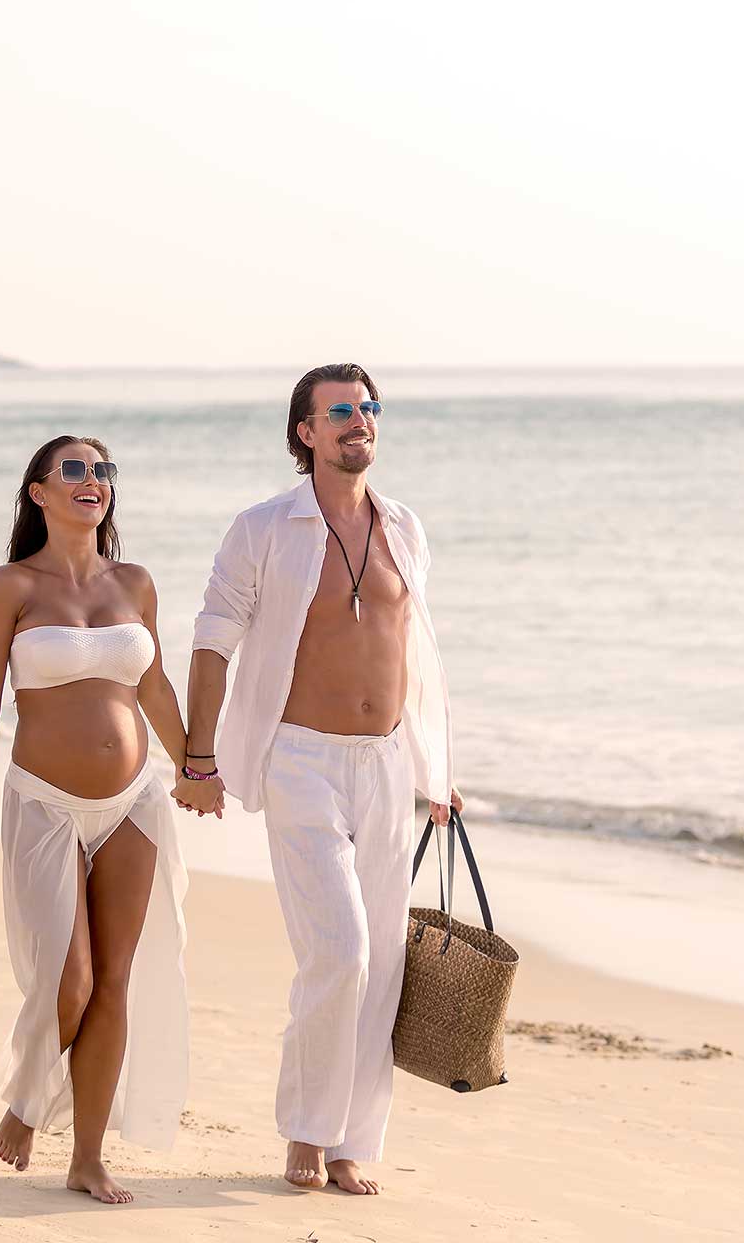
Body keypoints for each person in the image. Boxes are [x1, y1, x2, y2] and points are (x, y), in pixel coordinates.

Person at [175, 363, 462, 1195]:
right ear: (305, 432)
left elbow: (418, 650)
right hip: (300, 758)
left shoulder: (403, 526)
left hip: (385, 766)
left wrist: (437, 768)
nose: (358, 421)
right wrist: (200, 759)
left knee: (382, 968)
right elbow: (213, 637)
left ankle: (349, 1143)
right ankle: (305, 1131)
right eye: (340, 411)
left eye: (368, 408)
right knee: (339, 950)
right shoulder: (265, 527)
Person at [0, 435, 192, 1204]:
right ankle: (28, 1100)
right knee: (70, 979)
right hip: (44, 801)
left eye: (103, 471)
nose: (94, 482)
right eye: (75, 471)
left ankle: (87, 1157)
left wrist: (196, 766)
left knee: (115, 980)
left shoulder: (136, 582)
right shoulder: (10, 586)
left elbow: (153, 688)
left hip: (135, 803)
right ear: (39, 494)